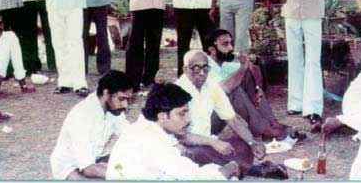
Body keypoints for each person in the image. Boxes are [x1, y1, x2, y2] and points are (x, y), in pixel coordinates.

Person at [174, 50, 288, 180]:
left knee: (243, 145)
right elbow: (181, 137)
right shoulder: (177, 90)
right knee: (192, 154)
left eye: (205, 68)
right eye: (196, 68)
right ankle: (251, 170)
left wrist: (252, 143)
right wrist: (213, 142)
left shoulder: (211, 86)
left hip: (207, 142)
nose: (201, 73)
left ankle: (230, 169)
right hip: (186, 147)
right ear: (185, 69)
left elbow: (232, 119)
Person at [106, 83, 242, 180]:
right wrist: (227, 170)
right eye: (182, 114)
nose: (188, 120)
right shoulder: (150, 139)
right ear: (162, 116)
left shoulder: (148, 128)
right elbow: (194, 176)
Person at [204, 29, 301, 141]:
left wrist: (258, 89)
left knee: (245, 76)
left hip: (220, 114)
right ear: (212, 50)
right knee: (235, 89)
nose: (231, 48)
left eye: (231, 43)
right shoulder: (204, 66)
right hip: (208, 123)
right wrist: (243, 67)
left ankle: (273, 123)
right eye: (225, 44)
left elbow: (254, 69)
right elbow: (223, 89)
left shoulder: (223, 64)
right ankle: (264, 130)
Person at [50, 70, 133, 180]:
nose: (125, 106)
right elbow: (87, 168)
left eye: (128, 100)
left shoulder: (114, 109)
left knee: (135, 159)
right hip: (70, 167)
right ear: (106, 93)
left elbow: (130, 135)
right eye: (122, 99)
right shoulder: (82, 115)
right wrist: (124, 176)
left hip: (95, 158)